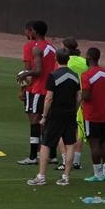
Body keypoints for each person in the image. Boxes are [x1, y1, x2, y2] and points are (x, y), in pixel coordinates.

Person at [27, 49, 81, 187]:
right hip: (70, 113)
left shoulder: (54, 75)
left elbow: (49, 98)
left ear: (56, 58)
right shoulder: (75, 76)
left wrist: (44, 116)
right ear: (68, 59)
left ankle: (41, 176)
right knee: (70, 145)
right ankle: (66, 177)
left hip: (56, 113)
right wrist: (74, 109)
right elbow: (78, 96)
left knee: (45, 144)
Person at [16, 20, 57, 166]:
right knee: (46, 122)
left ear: (34, 31)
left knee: (35, 121)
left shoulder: (35, 48)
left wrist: (25, 74)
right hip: (50, 89)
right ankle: (52, 155)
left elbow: (38, 71)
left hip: (38, 89)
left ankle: (33, 157)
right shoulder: (51, 48)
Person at [81, 47, 105, 182]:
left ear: (89, 57)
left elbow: (86, 96)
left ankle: (98, 174)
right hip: (104, 113)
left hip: (91, 114)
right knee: (103, 142)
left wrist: (80, 96)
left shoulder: (87, 75)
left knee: (93, 143)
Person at [57, 37, 88, 171]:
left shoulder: (65, 62)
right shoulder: (84, 61)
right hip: (84, 97)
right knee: (79, 130)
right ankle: (76, 161)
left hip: (67, 98)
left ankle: (65, 161)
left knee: (61, 129)